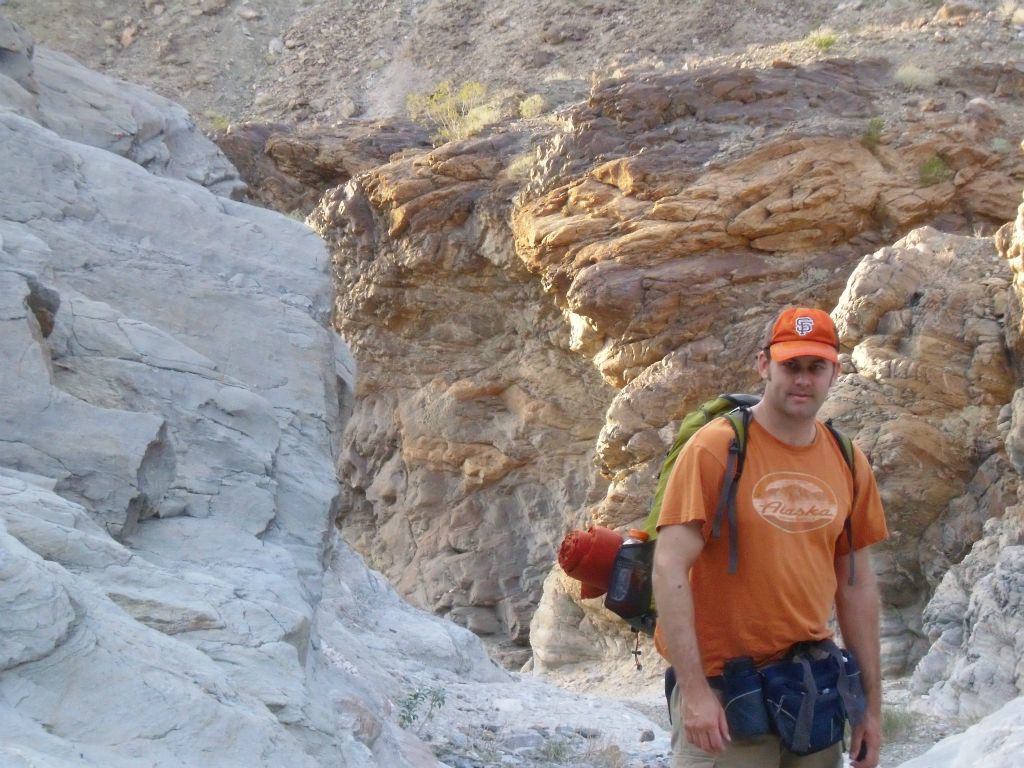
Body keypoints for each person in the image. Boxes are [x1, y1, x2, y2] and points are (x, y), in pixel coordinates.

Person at [652, 307, 889, 768]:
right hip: (725, 698)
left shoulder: (848, 459)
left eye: (816, 367)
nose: (803, 380)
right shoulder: (715, 449)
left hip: (811, 693)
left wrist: (869, 710)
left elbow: (857, 586)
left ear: (834, 372)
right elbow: (669, 565)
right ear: (764, 365)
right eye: (791, 366)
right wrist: (696, 693)